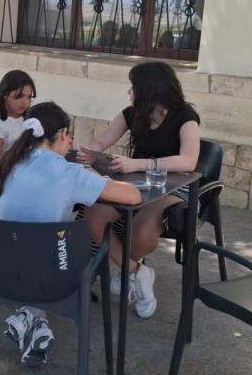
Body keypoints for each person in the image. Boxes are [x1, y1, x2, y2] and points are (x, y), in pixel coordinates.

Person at [0, 102, 141, 365]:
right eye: (69, 136)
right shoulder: (70, 173)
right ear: (60, 134)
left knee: (41, 244)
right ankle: (30, 317)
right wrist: (97, 178)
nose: (70, 143)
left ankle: (33, 321)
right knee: (68, 241)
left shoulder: (7, 165)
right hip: (50, 276)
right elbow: (133, 195)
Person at [78, 61, 201, 319]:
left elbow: (188, 161)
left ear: (149, 90)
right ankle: (136, 272)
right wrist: (91, 153)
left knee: (143, 231)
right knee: (93, 215)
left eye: (133, 87)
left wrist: (139, 164)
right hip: (135, 184)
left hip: (172, 188)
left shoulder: (185, 118)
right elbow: (103, 139)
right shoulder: (131, 114)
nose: (129, 93)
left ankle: (123, 269)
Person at [0, 70, 36, 160]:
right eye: (19, 96)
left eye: (29, 97)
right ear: (5, 94)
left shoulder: (29, 119)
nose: (25, 102)